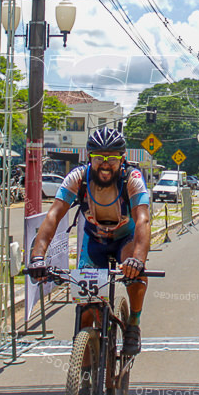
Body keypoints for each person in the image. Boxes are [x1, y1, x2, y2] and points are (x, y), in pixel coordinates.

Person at [27, 128, 151, 355]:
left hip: (126, 239)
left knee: (136, 275)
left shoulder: (131, 178)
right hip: (95, 241)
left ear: (122, 159)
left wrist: (139, 261)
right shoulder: (78, 177)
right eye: (98, 158)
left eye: (112, 158)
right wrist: (37, 258)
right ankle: (84, 369)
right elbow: (54, 215)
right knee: (85, 309)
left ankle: (133, 323)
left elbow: (142, 219)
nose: (105, 164)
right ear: (89, 157)